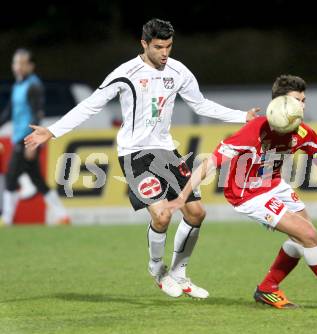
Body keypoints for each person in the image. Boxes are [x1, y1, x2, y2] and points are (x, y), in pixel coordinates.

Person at [24, 19, 258, 299]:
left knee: (197, 213)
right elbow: (91, 104)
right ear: (144, 44)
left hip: (166, 151)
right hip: (134, 155)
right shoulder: (126, 73)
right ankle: (157, 270)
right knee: (161, 216)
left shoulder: (178, 71)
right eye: (158, 47)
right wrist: (52, 131)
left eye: (169, 46)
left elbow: (200, 104)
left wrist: (242, 116)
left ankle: (180, 274)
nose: (164, 53)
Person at [165, 75, 317, 309]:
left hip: (274, 184)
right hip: (247, 194)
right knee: (309, 235)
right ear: (280, 103)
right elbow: (210, 163)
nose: (302, 106)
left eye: (304, 100)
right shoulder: (254, 131)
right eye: (297, 100)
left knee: (305, 236)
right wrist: (182, 197)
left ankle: (267, 288)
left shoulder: (301, 132)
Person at [0, 48, 69, 226]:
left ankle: (6, 219)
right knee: (37, 180)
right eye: (16, 63)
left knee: (10, 178)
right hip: (21, 139)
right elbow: (9, 112)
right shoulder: (18, 85)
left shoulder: (33, 85)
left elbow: (37, 114)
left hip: (26, 140)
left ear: (31, 66)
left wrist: (32, 142)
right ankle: (63, 215)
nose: (18, 67)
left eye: (22, 63)